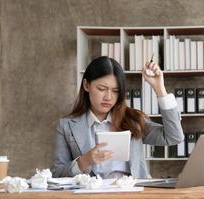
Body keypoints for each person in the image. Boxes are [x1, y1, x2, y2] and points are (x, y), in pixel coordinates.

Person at [51, 56, 184, 178]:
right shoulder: (66, 126)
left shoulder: (133, 120)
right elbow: (57, 174)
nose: (108, 97)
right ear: (86, 85)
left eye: (115, 91)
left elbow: (174, 137)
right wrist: (84, 161)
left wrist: (159, 88)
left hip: (132, 194)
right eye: (102, 89)